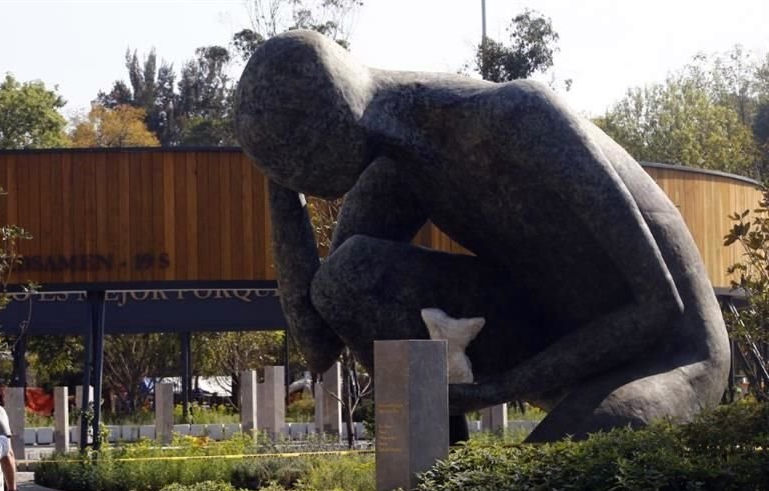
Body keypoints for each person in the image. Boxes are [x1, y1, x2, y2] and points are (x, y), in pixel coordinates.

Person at [233, 30, 731, 442]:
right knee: (346, 279)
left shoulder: (514, 118)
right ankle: (435, 477)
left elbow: (660, 306)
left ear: (338, 116)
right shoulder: (396, 167)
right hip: (547, 330)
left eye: (298, 165)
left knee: (541, 489)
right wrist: (279, 186)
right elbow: (320, 337)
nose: (301, 180)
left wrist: (502, 388)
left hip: (668, 352)